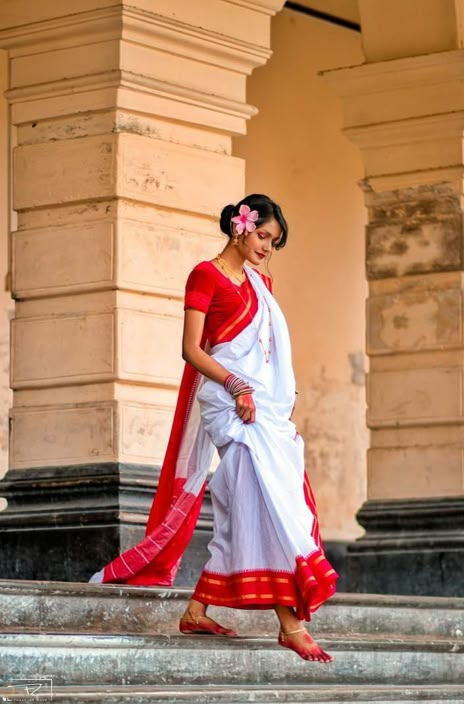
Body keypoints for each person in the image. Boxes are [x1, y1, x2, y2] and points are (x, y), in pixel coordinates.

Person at [89, 194, 338, 662]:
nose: (267, 247)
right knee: (265, 504)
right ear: (240, 227)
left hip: (260, 409)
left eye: (274, 241)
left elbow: (267, 352)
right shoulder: (205, 275)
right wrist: (237, 385)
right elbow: (192, 349)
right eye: (263, 235)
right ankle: (290, 624)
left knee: (250, 503)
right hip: (229, 404)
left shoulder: (261, 283)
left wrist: (276, 397)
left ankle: (197, 609)